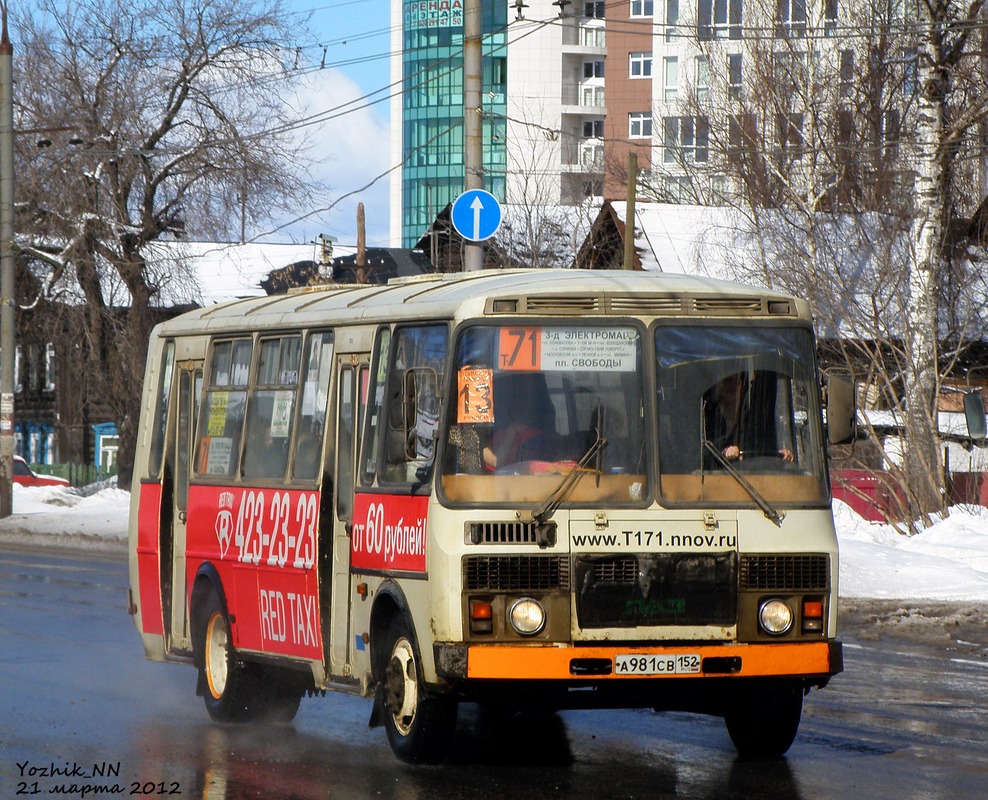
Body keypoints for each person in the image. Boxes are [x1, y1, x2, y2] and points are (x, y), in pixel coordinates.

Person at [705, 373, 793, 463]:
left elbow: (762, 448)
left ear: (742, 388)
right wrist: (725, 451)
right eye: (726, 381)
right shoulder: (708, 418)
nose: (730, 385)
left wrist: (780, 454)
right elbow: (704, 452)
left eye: (735, 381)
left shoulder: (752, 420)